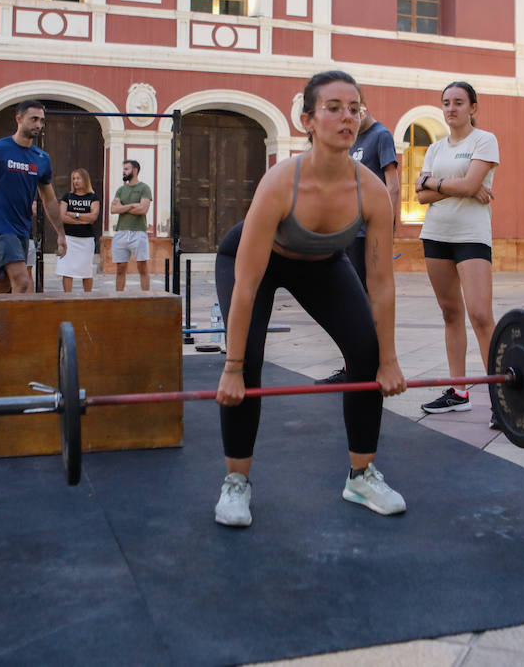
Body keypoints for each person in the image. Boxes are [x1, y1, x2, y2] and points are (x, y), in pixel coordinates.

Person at [212, 70, 406, 528]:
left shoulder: (373, 191)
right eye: (333, 108)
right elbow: (246, 282)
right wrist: (233, 367)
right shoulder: (280, 183)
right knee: (250, 358)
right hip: (254, 262)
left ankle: (361, 475)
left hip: (322, 262)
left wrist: (390, 360)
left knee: (366, 353)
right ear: (307, 120)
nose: (347, 117)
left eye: (354, 108)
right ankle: (236, 483)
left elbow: (381, 282)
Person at [416, 81, 501, 419]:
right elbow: (420, 196)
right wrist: (463, 188)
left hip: (471, 236)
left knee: (480, 315)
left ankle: (501, 398)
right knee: (451, 314)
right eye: (446, 102)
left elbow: (462, 184)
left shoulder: (484, 140)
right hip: (435, 233)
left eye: (458, 102)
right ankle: (458, 391)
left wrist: (437, 183)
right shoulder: (435, 149)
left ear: (472, 108)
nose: (451, 108)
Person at [317, 100, 401, 384]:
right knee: (349, 302)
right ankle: (354, 365)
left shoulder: (381, 136)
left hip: (368, 235)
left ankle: (371, 366)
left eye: (356, 110)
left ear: (366, 108)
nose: (351, 117)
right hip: (346, 233)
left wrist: (387, 229)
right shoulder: (350, 138)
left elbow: (393, 184)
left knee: (369, 300)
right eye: (346, 112)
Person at [0, 101, 67, 334]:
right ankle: (12, 336)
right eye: (34, 119)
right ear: (19, 119)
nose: (39, 125)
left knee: (5, 282)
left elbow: (49, 199)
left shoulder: (41, 158)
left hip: (22, 229)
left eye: (42, 120)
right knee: (23, 282)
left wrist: (61, 233)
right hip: (0, 226)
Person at [110, 159, 152, 291]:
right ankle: (119, 297)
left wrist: (123, 207)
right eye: (124, 169)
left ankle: (145, 297)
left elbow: (143, 209)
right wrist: (132, 205)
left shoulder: (144, 188)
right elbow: (113, 209)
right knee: (120, 268)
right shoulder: (121, 189)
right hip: (121, 232)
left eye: (127, 169)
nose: (124, 171)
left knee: (142, 267)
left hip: (138, 232)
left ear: (135, 170)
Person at [57, 169, 100, 293]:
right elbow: (62, 216)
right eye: (74, 178)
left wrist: (75, 215)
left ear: (85, 180)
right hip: (69, 238)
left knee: (86, 270)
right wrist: (82, 220)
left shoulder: (93, 197)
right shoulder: (67, 197)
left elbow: (93, 217)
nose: (76, 181)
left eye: (78, 178)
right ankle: (67, 296)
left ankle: (87, 296)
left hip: (86, 239)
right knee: (66, 269)